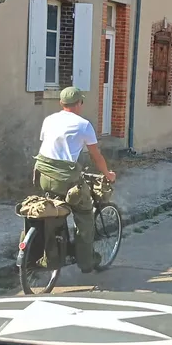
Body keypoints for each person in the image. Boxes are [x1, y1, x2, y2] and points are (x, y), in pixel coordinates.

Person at [34, 87, 116, 273]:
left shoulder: (49, 120)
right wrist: (108, 174)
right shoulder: (84, 125)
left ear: (61, 104)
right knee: (85, 214)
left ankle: (54, 250)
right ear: (79, 103)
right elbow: (96, 155)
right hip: (67, 180)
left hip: (43, 176)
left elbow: (49, 146)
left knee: (54, 210)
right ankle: (86, 261)